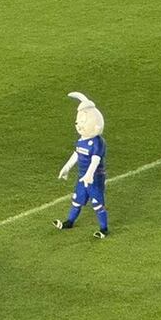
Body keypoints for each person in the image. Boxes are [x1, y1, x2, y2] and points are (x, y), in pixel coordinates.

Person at [54, 92, 109, 239]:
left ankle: (104, 229)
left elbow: (95, 160)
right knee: (77, 199)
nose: (78, 124)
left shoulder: (97, 142)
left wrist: (90, 174)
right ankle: (69, 222)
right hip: (82, 176)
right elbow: (77, 154)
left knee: (97, 203)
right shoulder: (81, 140)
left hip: (94, 178)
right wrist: (66, 168)